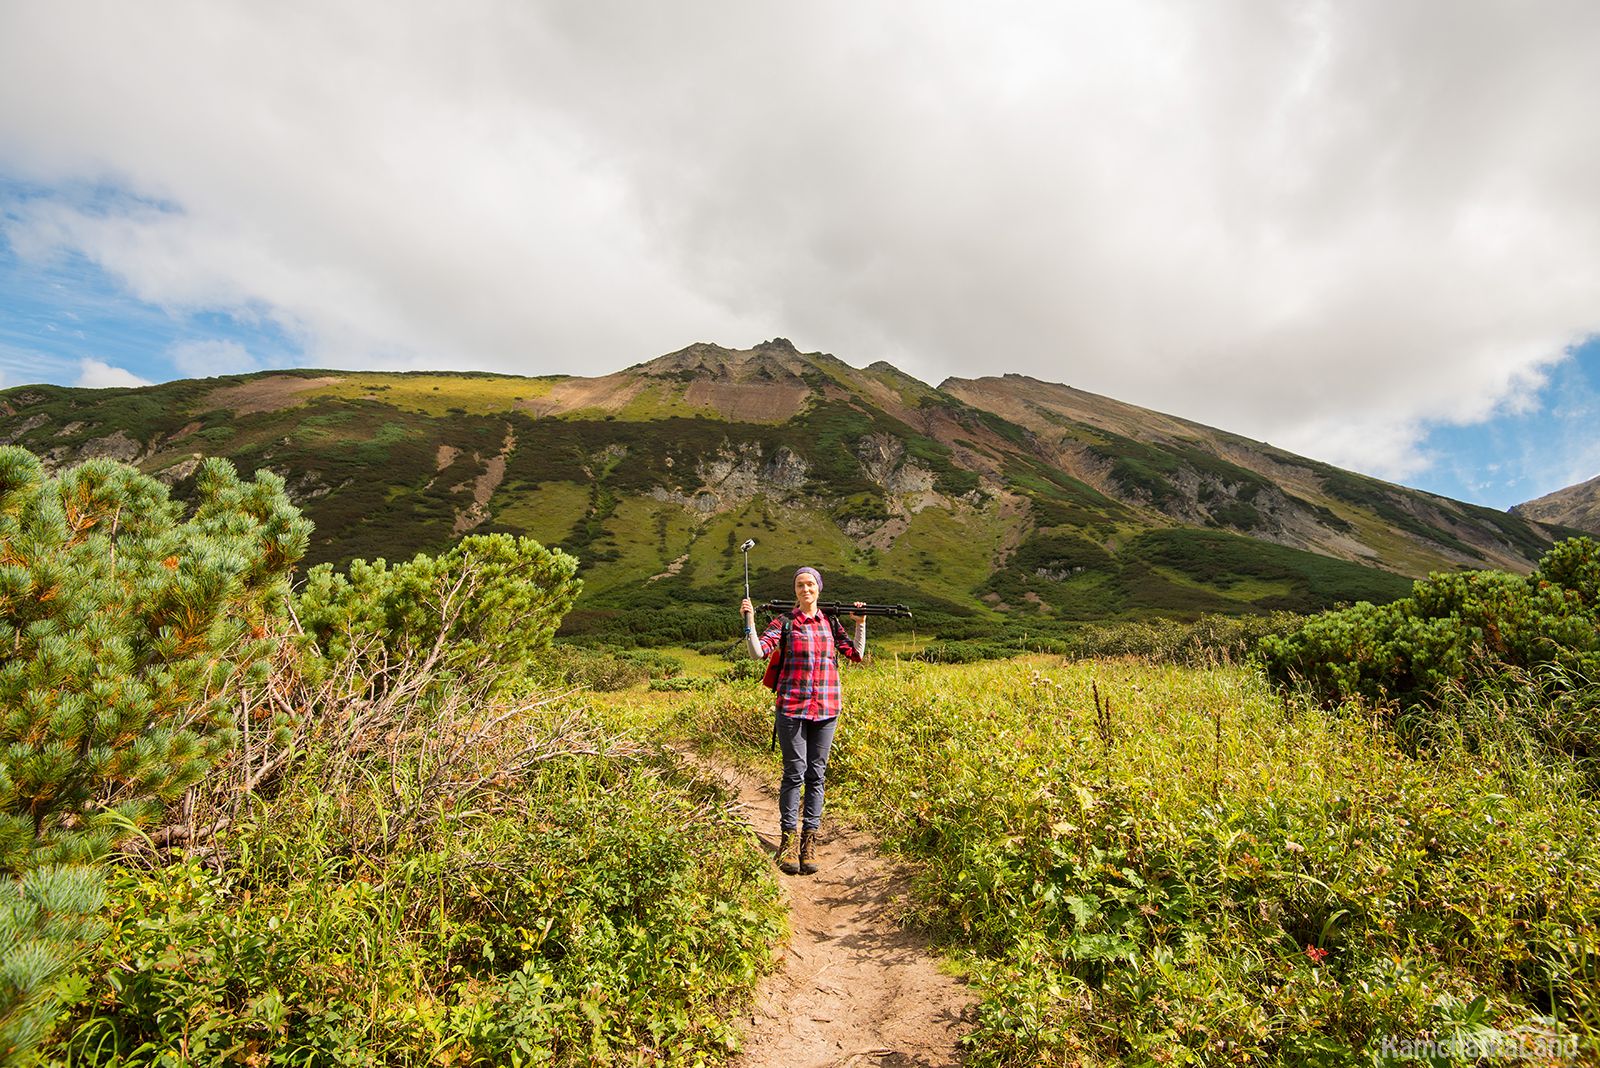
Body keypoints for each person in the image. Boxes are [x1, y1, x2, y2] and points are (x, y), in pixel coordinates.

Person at [741, 566, 866, 876]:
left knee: (816, 775)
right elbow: (758, 653)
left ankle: (809, 841)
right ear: (794, 590)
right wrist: (749, 622)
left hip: (827, 708)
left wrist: (861, 625)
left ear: (818, 588)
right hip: (792, 708)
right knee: (794, 773)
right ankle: (788, 840)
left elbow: (856, 655)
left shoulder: (831, 623)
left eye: (810, 584)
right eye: (800, 584)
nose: (805, 589)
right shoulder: (784, 623)